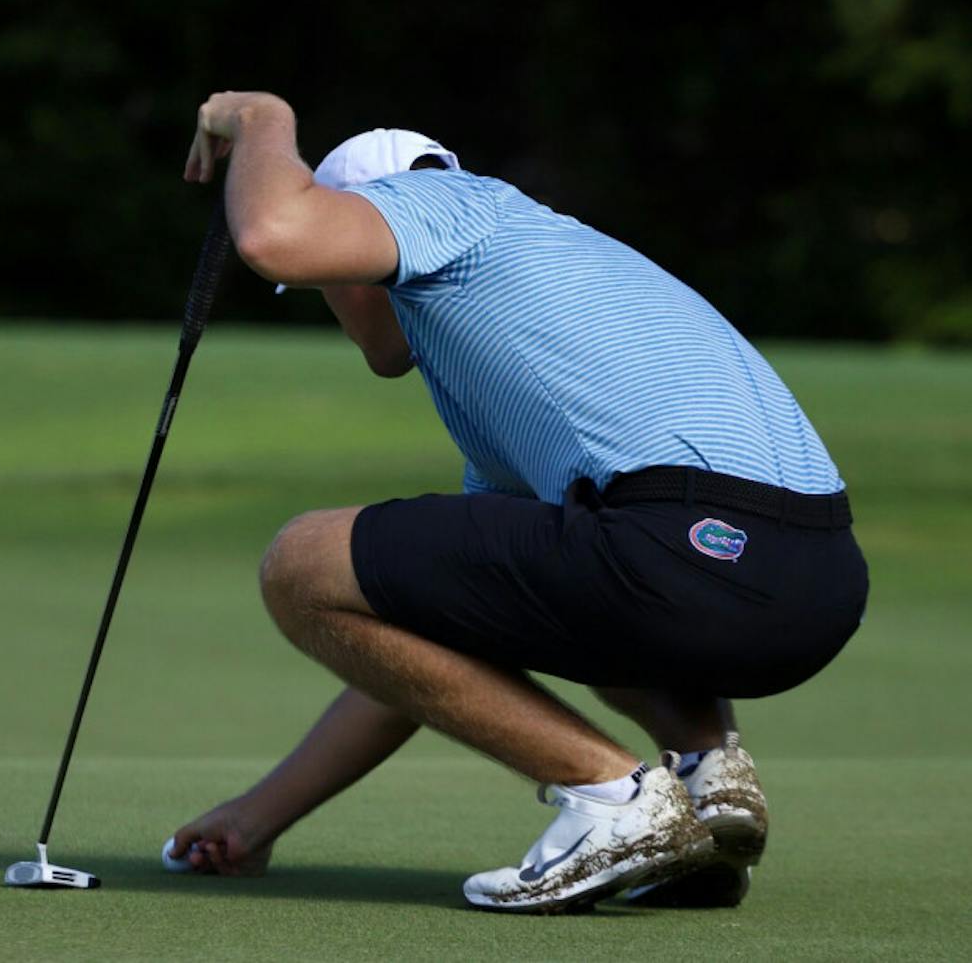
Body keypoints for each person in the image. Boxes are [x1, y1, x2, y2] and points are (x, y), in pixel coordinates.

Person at [161, 91, 869, 913]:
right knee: (581, 558)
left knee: (299, 561)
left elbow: (272, 236)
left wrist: (261, 116)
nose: (336, 295)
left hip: (684, 545)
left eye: (335, 275)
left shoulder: (444, 205)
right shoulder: (539, 271)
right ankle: (708, 784)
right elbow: (432, 635)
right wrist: (258, 817)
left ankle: (616, 799)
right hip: (816, 583)